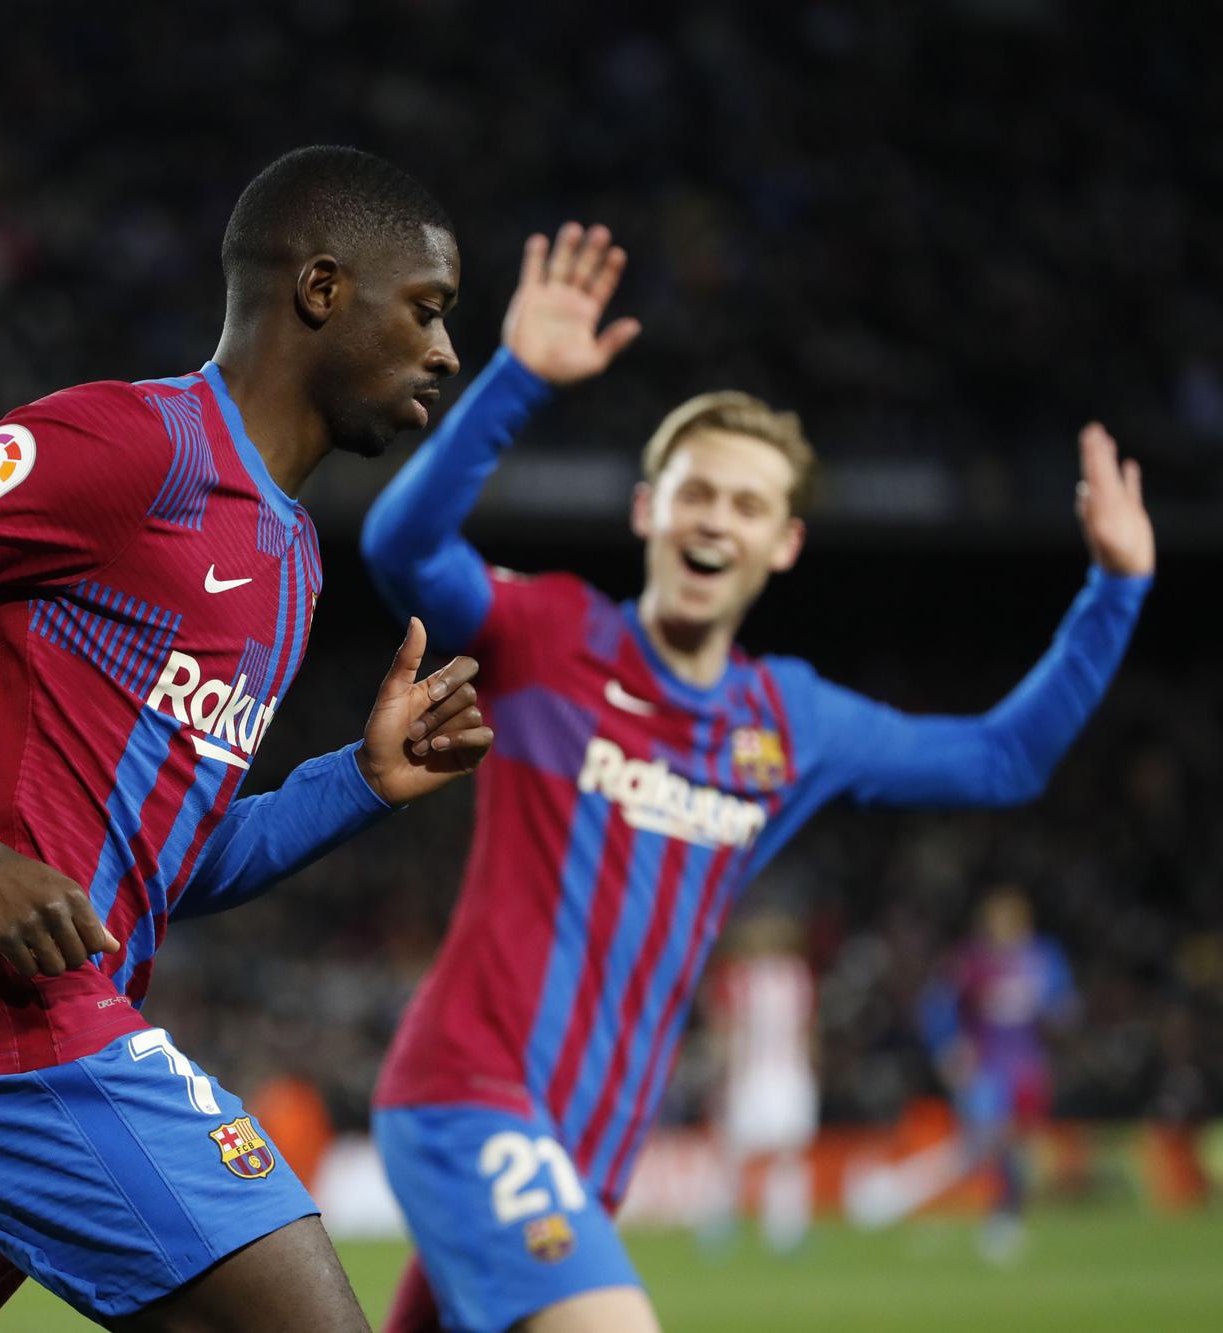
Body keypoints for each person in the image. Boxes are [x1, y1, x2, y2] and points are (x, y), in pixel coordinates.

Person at [0, 145, 493, 1333]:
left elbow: (166, 867)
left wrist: (359, 784)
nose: (445, 351)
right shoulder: (128, 446)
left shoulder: (288, 565)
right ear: (320, 290)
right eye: (426, 310)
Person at [360, 222, 1153, 1333]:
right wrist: (518, 379)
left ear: (780, 543)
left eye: (743, 504)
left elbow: (1000, 758)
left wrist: (1110, 592)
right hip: (467, 1096)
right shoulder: (549, 636)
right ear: (648, 512)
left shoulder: (793, 722)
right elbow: (402, 550)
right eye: (693, 493)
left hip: (593, 1147)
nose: (712, 519)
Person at [917, 885, 1077, 1262]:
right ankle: (990, 1214)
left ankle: (1006, 1214)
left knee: (1020, 1144)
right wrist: (949, 1048)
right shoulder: (972, 961)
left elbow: (1064, 1004)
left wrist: (1061, 1019)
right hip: (987, 1065)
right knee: (988, 1138)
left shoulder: (1042, 956)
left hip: (1028, 1064)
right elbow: (936, 1005)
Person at [698, 910, 817, 1255]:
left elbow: (803, 1029)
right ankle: (723, 1223)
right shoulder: (746, 979)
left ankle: (783, 1229)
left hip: (779, 1074)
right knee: (738, 1154)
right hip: (755, 1074)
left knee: (783, 1153)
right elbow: (726, 1028)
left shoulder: (790, 977)